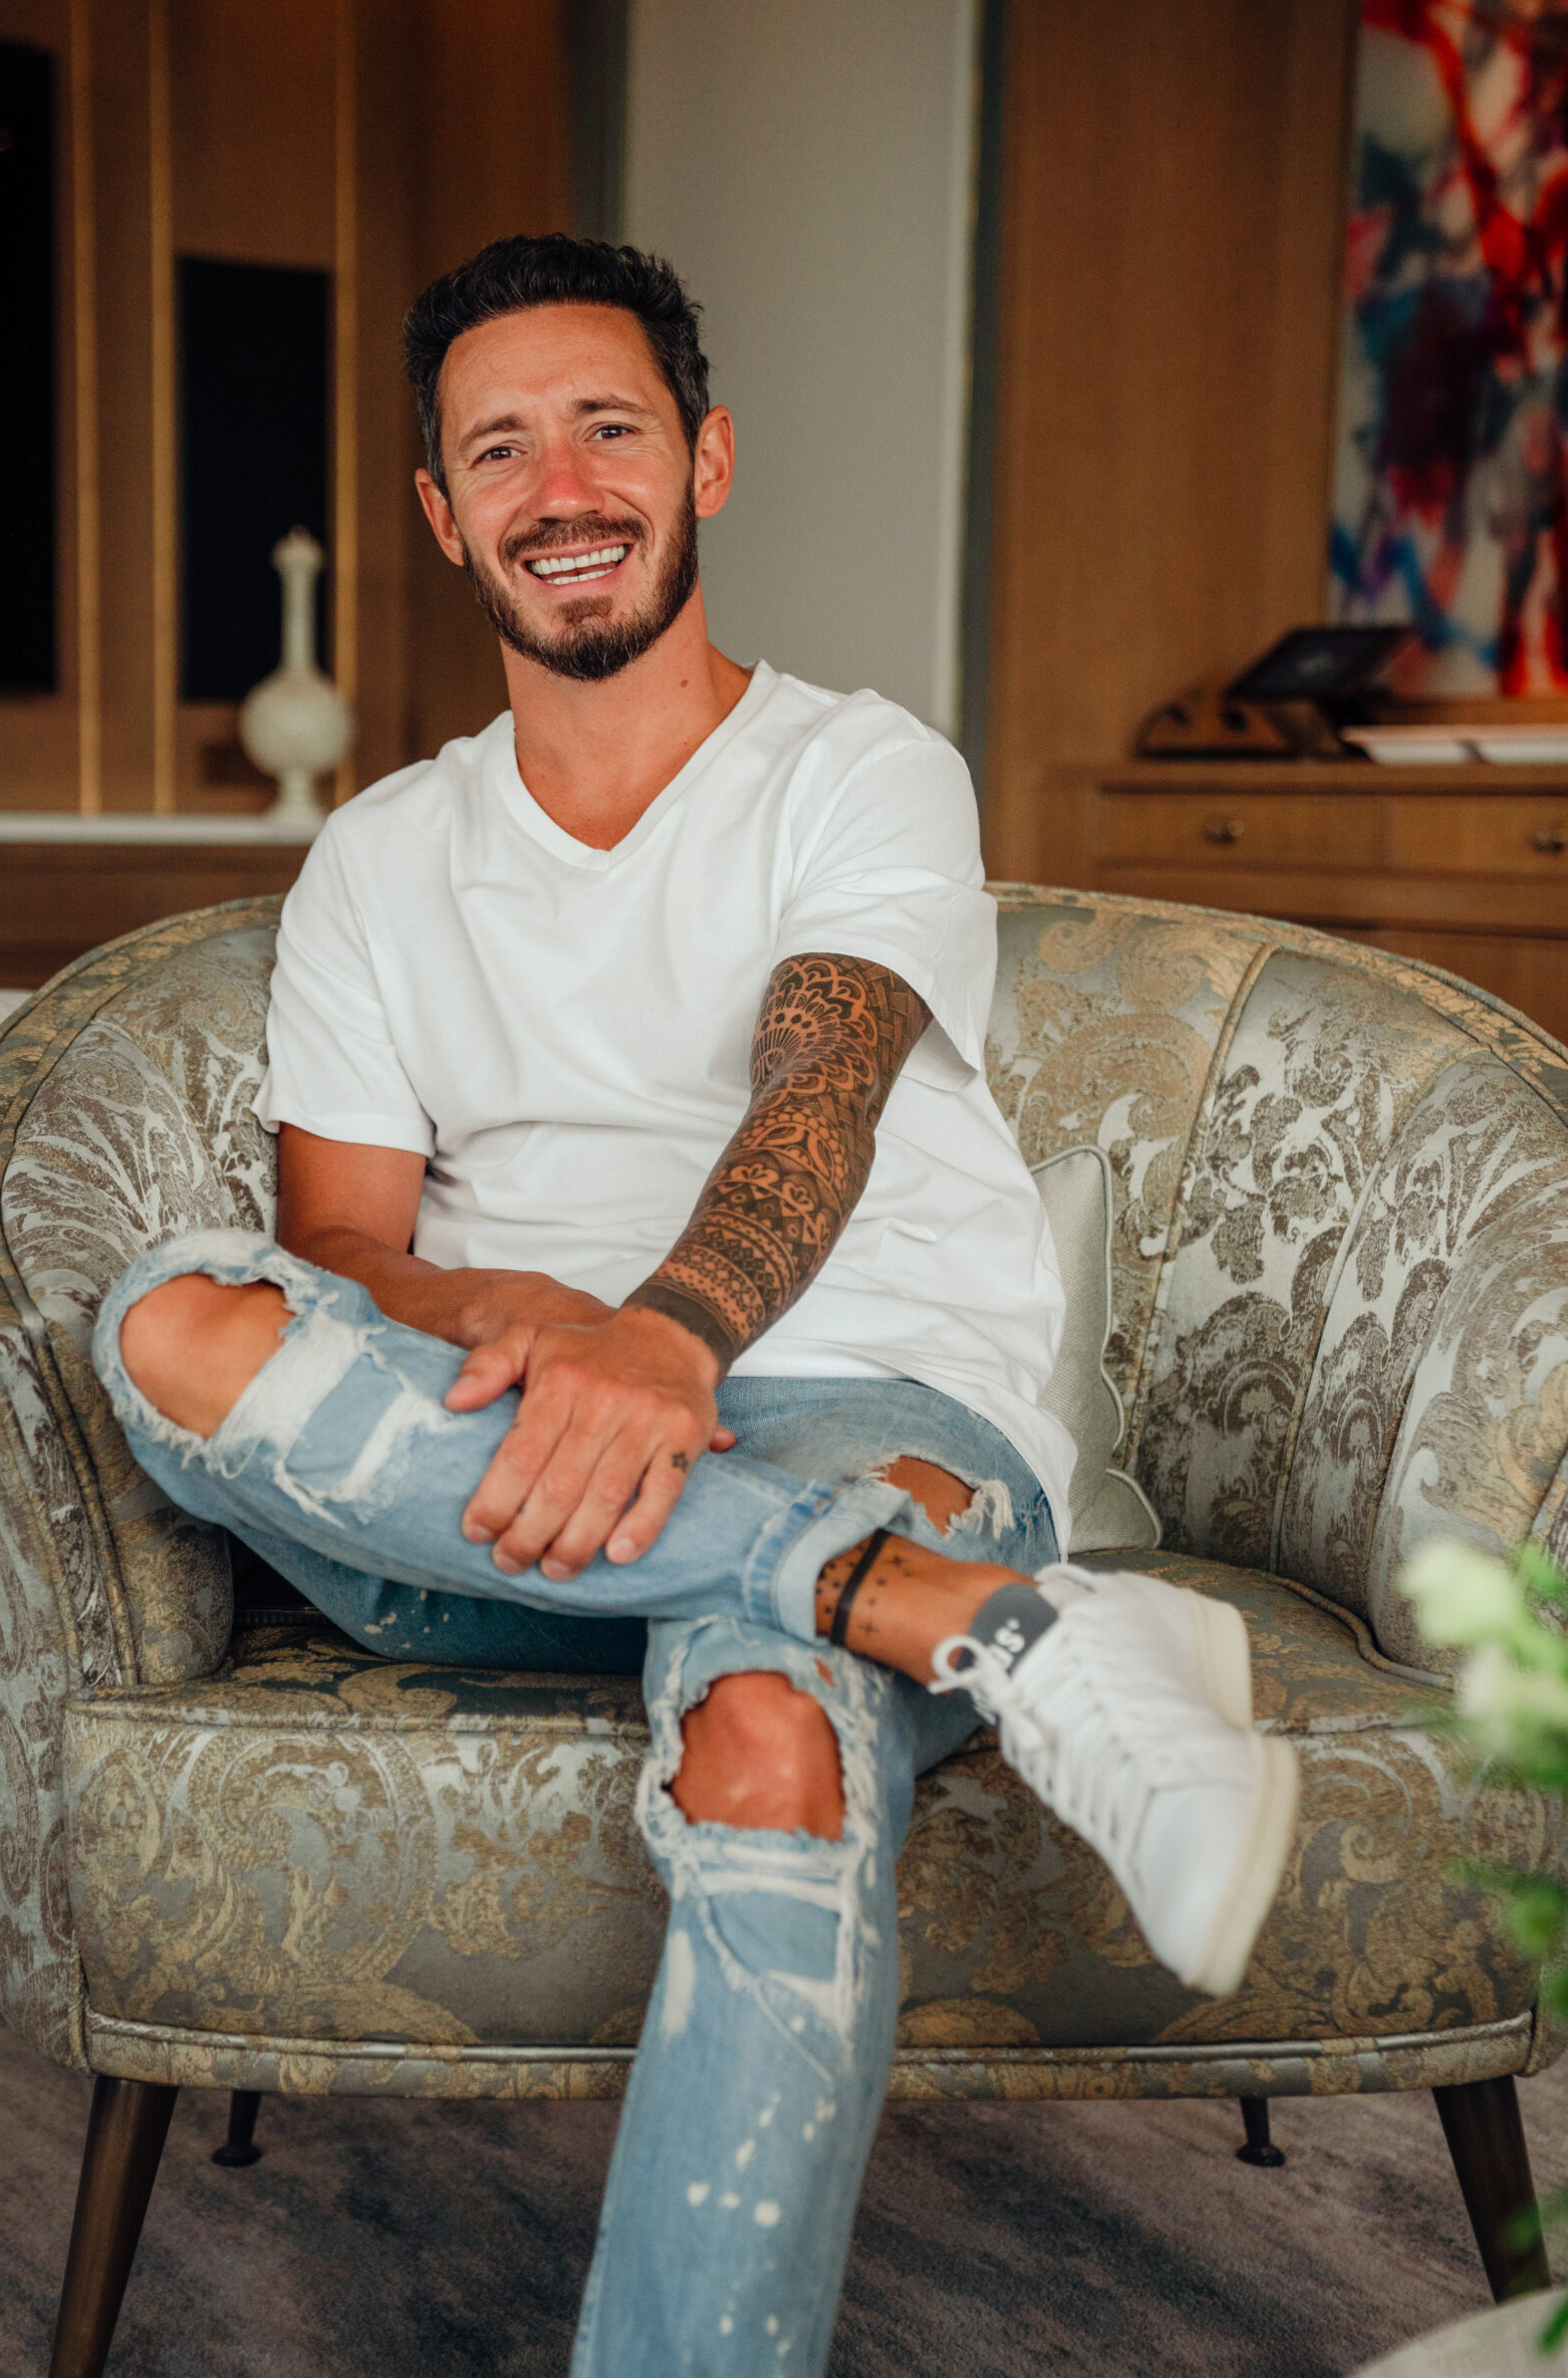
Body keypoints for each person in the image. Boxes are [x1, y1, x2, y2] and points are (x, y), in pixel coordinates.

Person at [93, 232, 1298, 2378]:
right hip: (488, 1465)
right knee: (168, 1322)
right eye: (499, 448)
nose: (559, 486)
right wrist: (547, 1326)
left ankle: (862, 1590)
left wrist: (665, 1339)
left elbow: (816, 1095)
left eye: (607, 427)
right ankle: (980, 1624)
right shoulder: (379, 856)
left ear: (706, 459)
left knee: (766, 1733)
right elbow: (341, 1248)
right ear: (438, 512)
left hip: (861, 1391)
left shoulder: (859, 768)